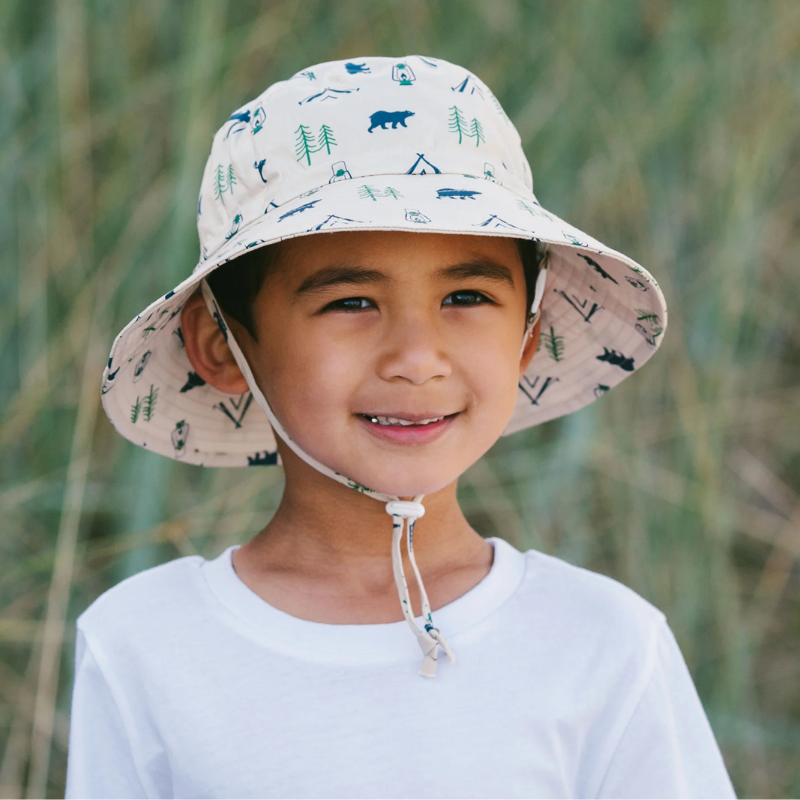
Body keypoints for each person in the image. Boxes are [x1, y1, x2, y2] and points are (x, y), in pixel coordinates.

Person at [66, 55, 736, 798]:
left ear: (528, 333)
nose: (418, 360)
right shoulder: (144, 644)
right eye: (351, 302)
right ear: (223, 346)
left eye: (469, 296)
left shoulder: (604, 643)